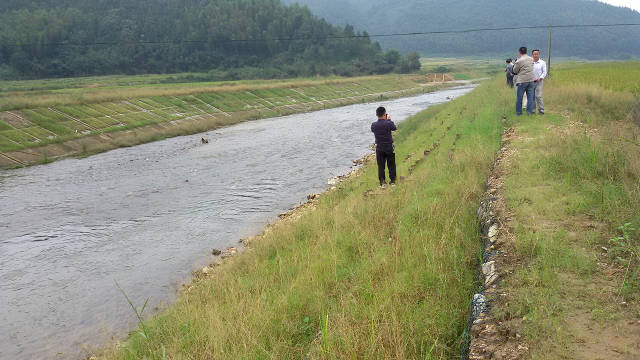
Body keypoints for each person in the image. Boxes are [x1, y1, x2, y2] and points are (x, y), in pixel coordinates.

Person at [371, 106, 397, 188]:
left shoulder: (373, 125)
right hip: (389, 147)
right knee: (391, 165)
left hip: (379, 148)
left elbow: (373, 130)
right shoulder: (388, 123)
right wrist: (388, 119)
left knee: (381, 166)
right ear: (384, 114)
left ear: (376, 114)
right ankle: (392, 181)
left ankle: (382, 183)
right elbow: (394, 128)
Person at [512, 46, 535, 116]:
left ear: (519, 52)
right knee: (530, 98)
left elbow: (514, 71)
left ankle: (519, 113)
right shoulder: (531, 59)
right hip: (531, 80)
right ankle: (529, 113)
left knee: (519, 98)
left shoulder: (519, 61)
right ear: (526, 51)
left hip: (522, 81)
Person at [532, 49, 547, 114]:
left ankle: (541, 110)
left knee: (538, 96)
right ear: (532, 55)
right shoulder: (530, 62)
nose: (535, 55)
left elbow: (544, 72)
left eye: (537, 54)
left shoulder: (542, 62)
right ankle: (533, 110)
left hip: (539, 82)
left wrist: (540, 78)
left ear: (539, 54)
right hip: (531, 82)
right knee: (531, 96)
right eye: (534, 54)